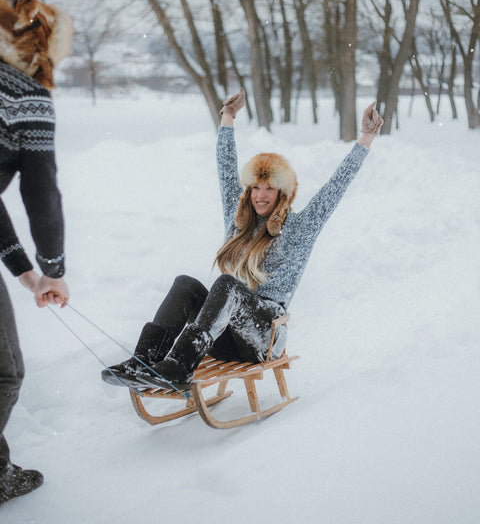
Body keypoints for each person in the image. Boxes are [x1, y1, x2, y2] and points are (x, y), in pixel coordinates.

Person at [102, 88, 383, 392]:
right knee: (185, 284)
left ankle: (180, 366)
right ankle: (143, 359)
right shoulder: (239, 222)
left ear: (281, 194)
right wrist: (227, 117)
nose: (260, 195)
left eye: (269, 188)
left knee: (226, 285)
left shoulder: (299, 228)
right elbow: (225, 171)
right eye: (255, 188)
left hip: (262, 338)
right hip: (224, 335)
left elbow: (335, 188)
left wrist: (366, 138)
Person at [0, 0, 72, 505]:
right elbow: (40, 193)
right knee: (4, 371)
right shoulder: (26, 95)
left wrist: (25, 273)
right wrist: (53, 269)